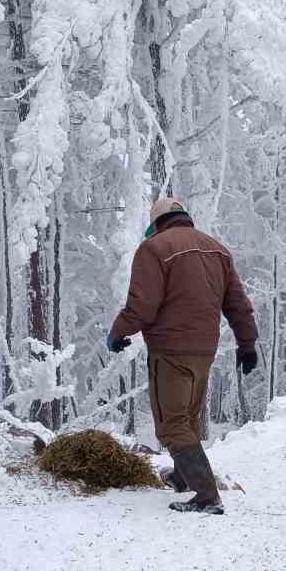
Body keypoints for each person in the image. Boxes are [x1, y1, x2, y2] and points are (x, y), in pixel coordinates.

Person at [108, 197, 259, 515]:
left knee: (172, 423)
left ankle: (207, 495)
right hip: (204, 350)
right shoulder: (217, 249)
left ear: (157, 223)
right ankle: (182, 476)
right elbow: (238, 305)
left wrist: (119, 332)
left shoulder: (155, 248)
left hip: (170, 350)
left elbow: (142, 305)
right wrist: (247, 344)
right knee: (187, 417)